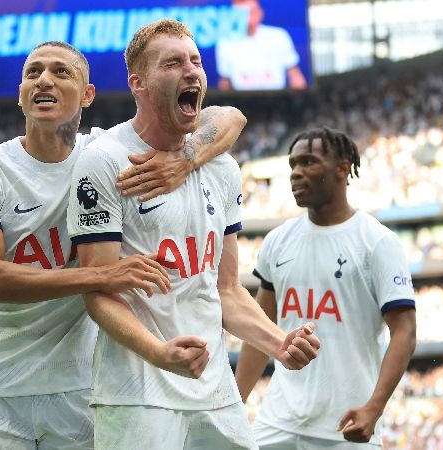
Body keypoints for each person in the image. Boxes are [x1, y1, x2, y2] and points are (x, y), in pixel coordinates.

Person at [0, 40, 247, 450]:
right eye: (33, 72)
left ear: (87, 95)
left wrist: (187, 157)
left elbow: (230, 117)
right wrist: (101, 274)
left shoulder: (101, 155)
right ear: (21, 93)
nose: (44, 80)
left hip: (79, 385)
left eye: (61, 72)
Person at [66, 19, 321, 450]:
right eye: (172, 63)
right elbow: (99, 291)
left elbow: (226, 290)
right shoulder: (104, 160)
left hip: (214, 388)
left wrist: (280, 343)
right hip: (138, 392)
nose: (191, 71)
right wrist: (159, 354)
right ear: (139, 84)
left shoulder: (220, 167)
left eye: (196, 61)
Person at [235, 127, 417, 449]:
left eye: (308, 162)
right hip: (276, 423)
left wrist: (374, 408)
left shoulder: (377, 243)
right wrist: (236, 404)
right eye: (292, 164)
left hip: (345, 427)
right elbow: (260, 329)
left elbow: (404, 332)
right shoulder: (278, 241)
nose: (296, 173)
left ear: (342, 169)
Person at [215, 0, 307, 91]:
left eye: (251, 12)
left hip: (277, 100)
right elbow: (225, 81)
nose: (247, 18)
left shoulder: (279, 36)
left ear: (260, 13)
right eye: (242, 14)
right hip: (242, 102)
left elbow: (295, 75)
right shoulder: (225, 42)